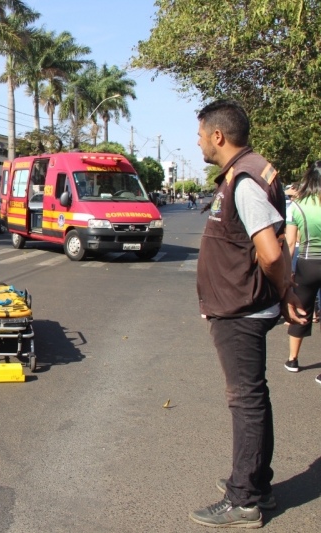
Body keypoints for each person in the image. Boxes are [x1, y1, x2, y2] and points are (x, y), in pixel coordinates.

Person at [190, 100, 306, 528]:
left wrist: (287, 288)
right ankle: (256, 484)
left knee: (246, 401)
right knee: (254, 397)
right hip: (242, 303)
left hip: (241, 308)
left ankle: (244, 500)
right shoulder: (252, 171)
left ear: (218, 136)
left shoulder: (244, 180)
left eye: (201, 133)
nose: (198, 140)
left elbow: (272, 251)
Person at [282, 162, 321, 380]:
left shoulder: (296, 207)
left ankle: (293, 359)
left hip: (307, 264)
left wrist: (287, 275)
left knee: (301, 311)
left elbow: (289, 244)